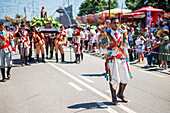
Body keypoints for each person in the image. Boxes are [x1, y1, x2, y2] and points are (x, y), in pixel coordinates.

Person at [100, 17, 132, 105]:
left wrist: (127, 58)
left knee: (125, 77)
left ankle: (120, 94)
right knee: (114, 79)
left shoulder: (122, 34)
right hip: (111, 59)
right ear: (110, 24)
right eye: (114, 23)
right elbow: (102, 49)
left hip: (121, 58)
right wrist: (111, 52)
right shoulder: (105, 35)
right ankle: (114, 97)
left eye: (118, 23)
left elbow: (125, 47)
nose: (116, 25)